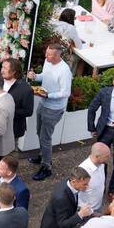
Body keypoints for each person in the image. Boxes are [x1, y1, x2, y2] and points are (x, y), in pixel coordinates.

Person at [26, 42, 72, 180]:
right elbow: (44, 76)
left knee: (45, 138)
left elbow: (66, 92)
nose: (46, 56)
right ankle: (42, 156)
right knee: (39, 132)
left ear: (58, 56)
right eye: (47, 53)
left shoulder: (64, 71)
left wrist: (48, 95)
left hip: (54, 108)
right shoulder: (48, 62)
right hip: (43, 103)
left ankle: (47, 167)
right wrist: (35, 77)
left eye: (49, 54)